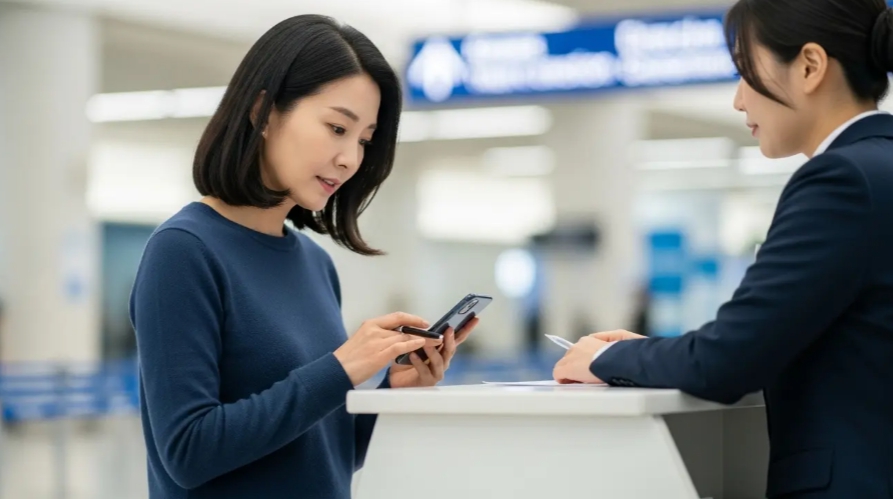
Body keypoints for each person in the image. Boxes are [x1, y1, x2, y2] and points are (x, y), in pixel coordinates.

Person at [554, 0, 893, 497]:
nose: (738, 100)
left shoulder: (839, 181)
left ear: (810, 66)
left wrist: (610, 358)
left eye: (744, 72)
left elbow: (726, 362)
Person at [130, 15, 478, 499]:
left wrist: (389, 392)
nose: (350, 159)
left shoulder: (315, 264)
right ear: (263, 112)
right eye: (337, 127)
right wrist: (341, 368)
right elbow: (188, 453)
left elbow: (330, 454)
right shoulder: (184, 251)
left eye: (362, 140)